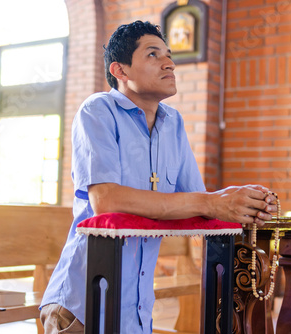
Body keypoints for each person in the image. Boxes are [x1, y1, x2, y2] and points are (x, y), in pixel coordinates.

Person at [39, 20, 277, 334]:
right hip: (84, 302)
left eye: (168, 54)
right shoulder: (97, 111)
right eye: (153, 55)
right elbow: (106, 201)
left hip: (137, 310)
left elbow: (202, 208)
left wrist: (245, 204)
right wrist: (214, 202)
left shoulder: (173, 124)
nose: (169, 62)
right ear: (120, 71)